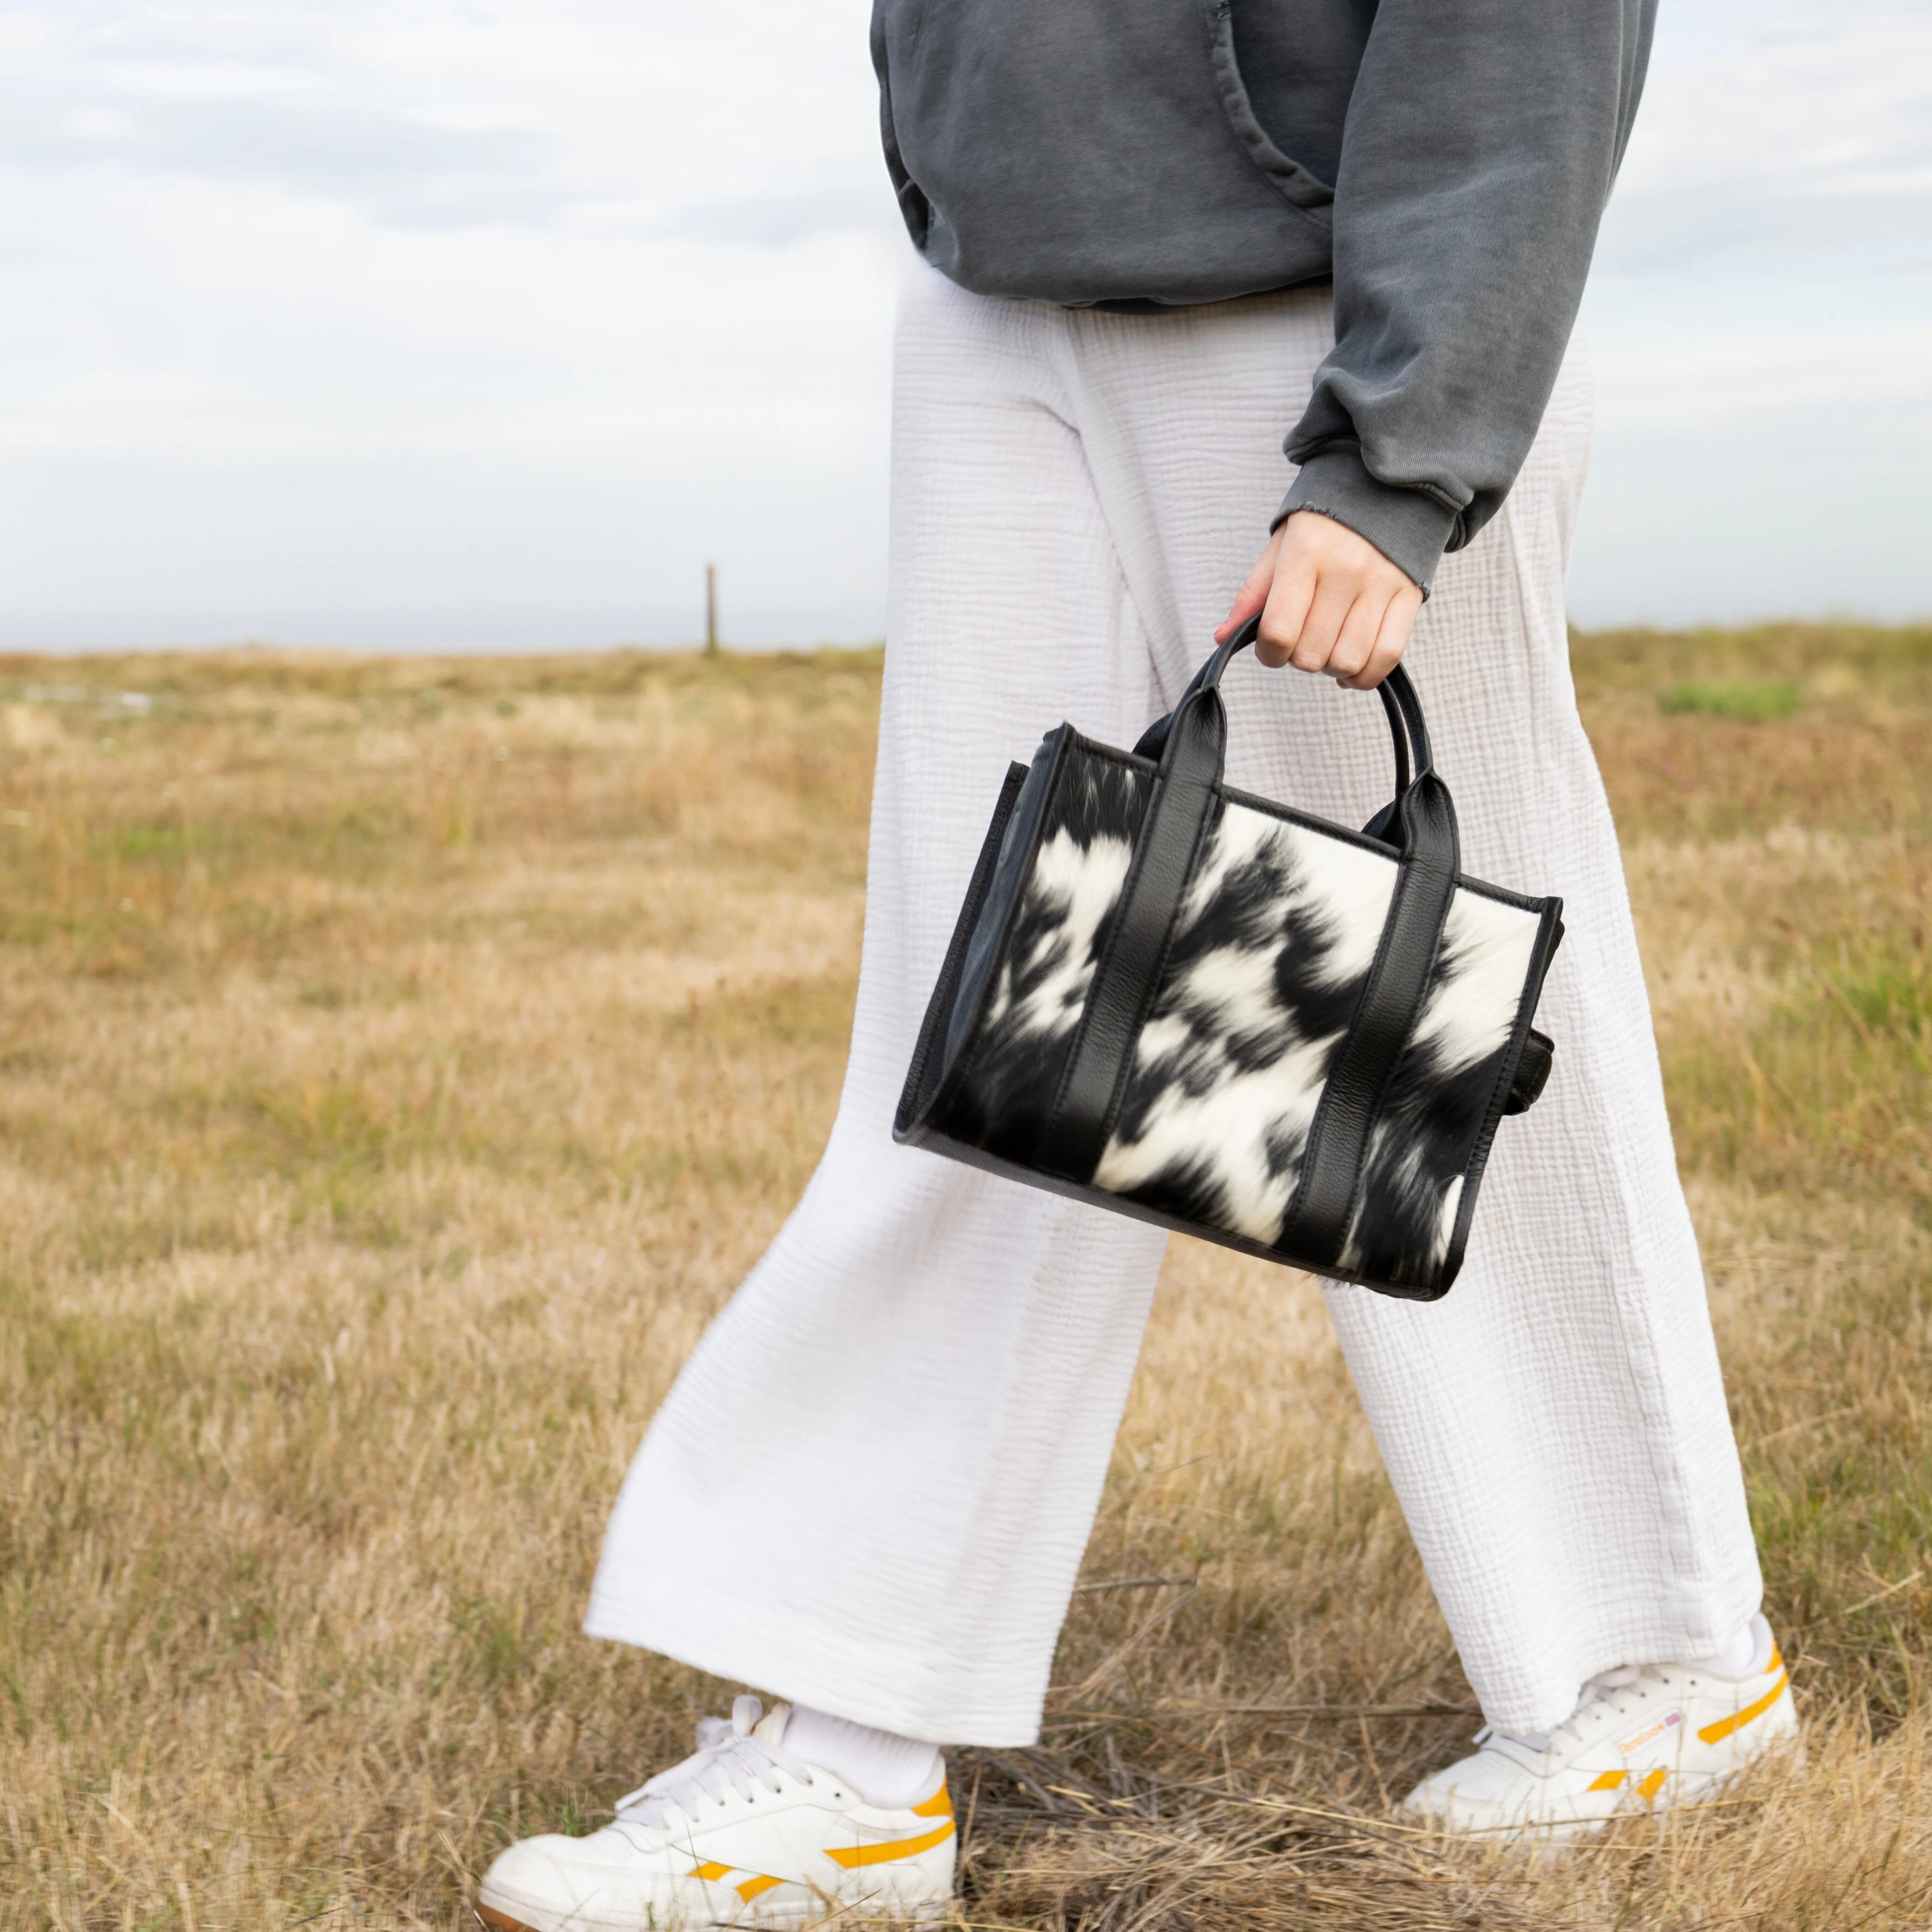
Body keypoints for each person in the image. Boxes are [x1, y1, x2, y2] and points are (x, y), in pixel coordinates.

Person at [477, 1, 1799, 1924]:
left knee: (1443, 1010)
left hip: (1319, 308)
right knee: (982, 1015)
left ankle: (1652, 1654)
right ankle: (842, 1746)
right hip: (1004, 286)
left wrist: (1396, 448)